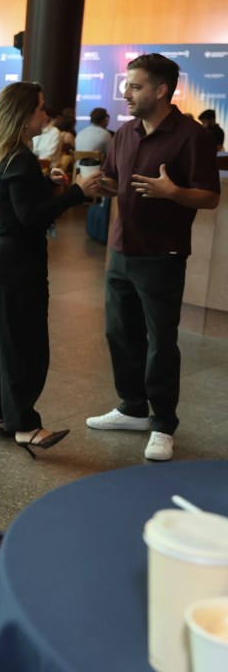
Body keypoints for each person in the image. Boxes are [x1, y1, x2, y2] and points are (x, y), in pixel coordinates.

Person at [86, 54, 220, 461]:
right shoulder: (125, 133)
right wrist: (99, 185)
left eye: (135, 86)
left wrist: (172, 192)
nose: (126, 93)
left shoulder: (192, 136)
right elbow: (117, 181)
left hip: (162, 254)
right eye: (127, 85)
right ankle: (132, 407)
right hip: (121, 250)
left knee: (160, 341)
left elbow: (209, 196)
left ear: (161, 90)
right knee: (120, 333)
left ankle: (163, 423)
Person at [0, 82, 103, 457]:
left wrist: (46, 184)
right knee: (24, 344)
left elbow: (17, 203)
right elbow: (30, 218)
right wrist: (78, 192)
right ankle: (25, 425)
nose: (45, 115)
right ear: (23, 114)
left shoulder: (2, 151)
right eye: (40, 108)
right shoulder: (21, 158)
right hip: (16, 260)